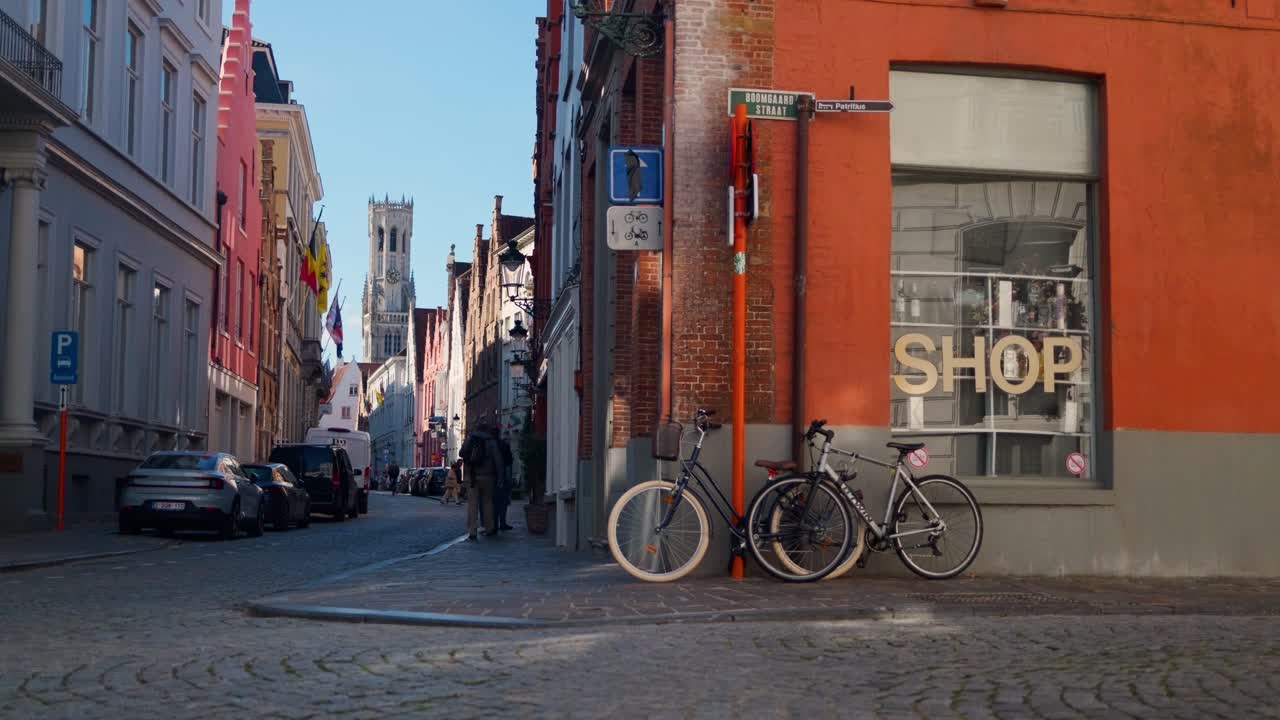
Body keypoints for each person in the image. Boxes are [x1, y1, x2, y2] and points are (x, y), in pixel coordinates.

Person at [460, 422, 502, 540]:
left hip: (472, 476)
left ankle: (472, 531)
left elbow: (461, 453)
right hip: (488, 476)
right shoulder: (491, 441)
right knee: (488, 503)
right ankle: (489, 528)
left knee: (472, 504)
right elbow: (498, 460)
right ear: (486, 430)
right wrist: (500, 477)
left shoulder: (470, 439)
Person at [493, 432, 515, 531]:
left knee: (493, 502)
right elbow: (509, 462)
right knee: (503, 501)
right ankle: (502, 522)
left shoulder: (491, 445)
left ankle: (492, 524)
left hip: (492, 476)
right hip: (503, 477)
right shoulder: (504, 446)